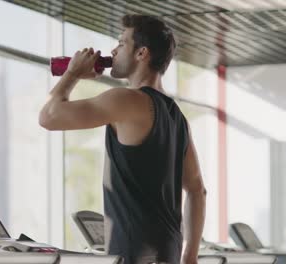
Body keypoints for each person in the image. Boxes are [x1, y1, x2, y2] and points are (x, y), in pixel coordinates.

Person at [39, 14, 206, 264]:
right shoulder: (177, 117)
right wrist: (190, 257)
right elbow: (197, 190)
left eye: (121, 43)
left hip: (133, 253)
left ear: (141, 53)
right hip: (166, 253)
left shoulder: (127, 100)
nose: (113, 51)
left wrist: (72, 73)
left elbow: (48, 117)